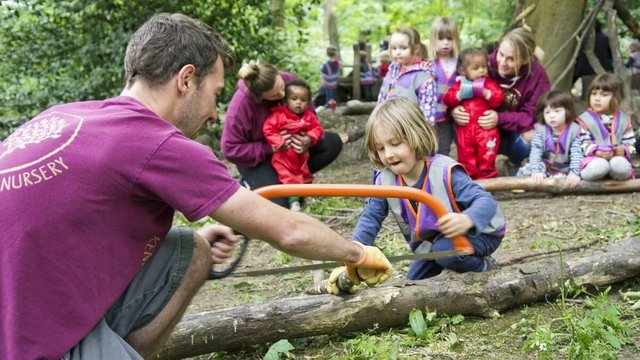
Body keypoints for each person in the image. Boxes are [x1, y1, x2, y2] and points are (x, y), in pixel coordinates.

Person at [0, 13, 393, 359]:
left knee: (191, 249)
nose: (213, 113)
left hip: (22, 313)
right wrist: (357, 253)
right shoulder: (154, 141)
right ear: (186, 79)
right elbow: (287, 231)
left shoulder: (62, 117)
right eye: (215, 94)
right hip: (32, 344)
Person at [333, 97, 505, 285]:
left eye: (395, 143)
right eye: (380, 148)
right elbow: (370, 217)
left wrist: (467, 219)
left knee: (446, 253)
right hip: (436, 244)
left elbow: (486, 202)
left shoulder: (445, 171)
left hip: (481, 233)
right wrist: (354, 251)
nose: (388, 154)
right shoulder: (385, 180)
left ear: (416, 136)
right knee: (413, 281)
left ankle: (486, 269)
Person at [221, 61, 343, 208]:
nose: (282, 94)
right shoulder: (241, 106)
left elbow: (312, 118)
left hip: (293, 153)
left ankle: (294, 181)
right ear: (260, 97)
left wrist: (308, 140)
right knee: (281, 205)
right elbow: (230, 149)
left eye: (281, 87)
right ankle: (260, 182)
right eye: (274, 95)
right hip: (261, 159)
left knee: (333, 143)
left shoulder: (290, 81)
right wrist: (270, 148)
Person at [451, 27, 551, 173]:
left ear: (525, 59)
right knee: (459, 120)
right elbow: (456, 84)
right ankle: (472, 167)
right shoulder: (483, 63)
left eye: (511, 59)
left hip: (513, 132)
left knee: (533, 135)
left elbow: (533, 114)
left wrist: (499, 118)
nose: (502, 62)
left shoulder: (537, 76)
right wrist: (453, 109)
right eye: (501, 54)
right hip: (478, 127)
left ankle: (513, 162)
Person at [263, 79, 324, 211]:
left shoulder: (309, 116)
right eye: (294, 99)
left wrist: (309, 137)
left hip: (301, 155)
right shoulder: (279, 115)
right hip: (283, 156)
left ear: (308, 103)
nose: (298, 102)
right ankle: (293, 201)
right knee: (288, 177)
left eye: (303, 100)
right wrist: (279, 141)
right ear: (285, 101)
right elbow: (269, 129)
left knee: (305, 174)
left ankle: (307, 194)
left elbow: (317, 128)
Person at [444, 48, 504, 179]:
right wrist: (459, 95)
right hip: (465, 129)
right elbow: (448, 98)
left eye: (484, 66)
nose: (482, 70)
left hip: (485, 129)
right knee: (465, 155)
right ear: (463, 70)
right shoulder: (460, 84)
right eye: (476, 68)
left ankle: (488, 178)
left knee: (487, 154)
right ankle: (469, 178)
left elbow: (498, 98)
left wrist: (486, 93)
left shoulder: (489, 83)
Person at [516, 90, 583, 187]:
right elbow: (536, 150)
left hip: (565, 167)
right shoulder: (541, 130)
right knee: (527, 170)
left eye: (557, 111)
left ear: (567, 111)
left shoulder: (574, 130)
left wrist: (574, 172)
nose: (551, 116)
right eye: (547, 112)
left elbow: (576, 154)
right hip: (545, 165)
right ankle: (522, 184)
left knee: (564, 181)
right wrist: (536, 170)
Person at [577, 73, 636, 181]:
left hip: (616, 159)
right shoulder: (585, 119)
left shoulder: (623, 120)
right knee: (600, 166)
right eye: (594, 94)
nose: (597, 99)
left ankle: (613, 174)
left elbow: (630, 143)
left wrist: (624, 150)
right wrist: (596, 151)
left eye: (604, 95)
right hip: (592, 160)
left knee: (620, 166)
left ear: (618, 98)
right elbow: (581, 143)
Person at [377, 26, 438, 125]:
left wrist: (424, 134)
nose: (398, 52)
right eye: (394, 48)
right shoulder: (392, 71)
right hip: (388, 125)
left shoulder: (423, 76)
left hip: (410, 128)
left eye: (403, 48)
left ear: (416, 48)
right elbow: (381, 97)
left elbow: (428, 110)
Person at [429, 16, 460, 156]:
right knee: (442, 148)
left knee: (465, 145)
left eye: (450, 38)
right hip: (439, 116)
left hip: (459, 113)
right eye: (441, 39)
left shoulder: (461, 63)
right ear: (433, 40)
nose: (445, 43)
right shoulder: (430, 65)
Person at [573, 20, 614, 100]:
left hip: (585, 69)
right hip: (604, 68)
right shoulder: (605, 39)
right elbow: (611, 55)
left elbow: (578, 55)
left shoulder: (583, 40)